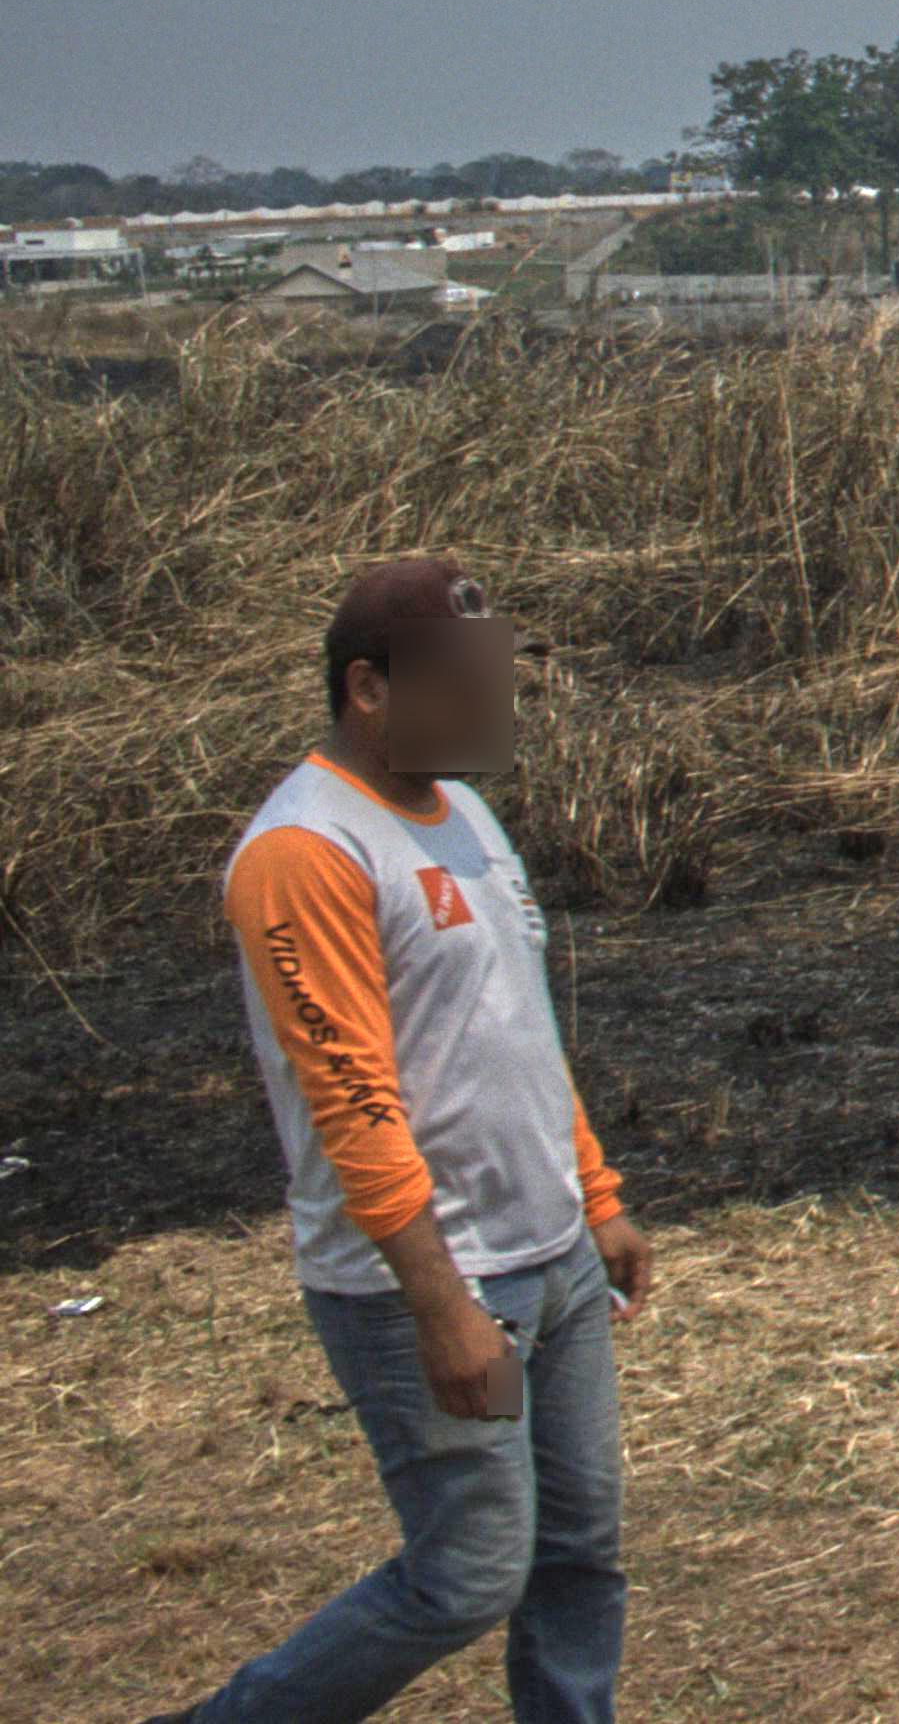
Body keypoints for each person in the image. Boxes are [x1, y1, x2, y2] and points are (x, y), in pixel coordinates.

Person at [152, 559, 655, 1724]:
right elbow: (350, 1098)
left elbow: (516, 1027)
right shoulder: (306, 851)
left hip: (552, 1264)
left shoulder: (463, 812)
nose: (496, 705)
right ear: (369, 688)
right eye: (463, 681)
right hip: (437, 1280)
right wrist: (441, 1305)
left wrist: (594, 1195)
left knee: (578, 1550)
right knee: (469, 1570)